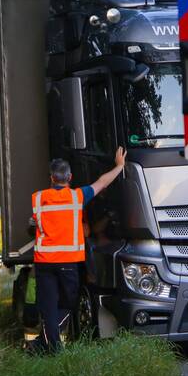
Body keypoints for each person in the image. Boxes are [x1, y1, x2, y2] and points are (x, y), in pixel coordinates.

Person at [30, 148, 126, 353]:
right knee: (68, 303)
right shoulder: (77, 197)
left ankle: (45, 342)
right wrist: (119, 166)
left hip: (44, 262)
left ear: (51, 178)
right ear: (70, 177)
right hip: (67, 262)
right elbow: (102, 182)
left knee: (48, 305)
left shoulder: (37, 198)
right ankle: (53, 348)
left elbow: (35, 224)